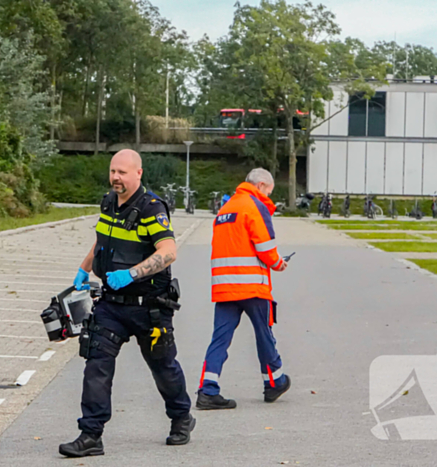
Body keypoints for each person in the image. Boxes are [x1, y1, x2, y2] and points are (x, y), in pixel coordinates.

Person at [59, 149, 195, 458]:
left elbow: (169, 251)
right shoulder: (109, 202)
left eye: (122, 172)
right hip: (111, 306)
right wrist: (84, 267)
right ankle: (91, 434)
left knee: (163, 366)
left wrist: (132, 274)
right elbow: (103, 238)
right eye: (112, 171)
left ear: (138, 173)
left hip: (149, 307)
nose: (116, 177)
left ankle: (181, 417)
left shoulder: (152, 208)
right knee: (96, 365)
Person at [196, 168, 290, 410]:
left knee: (219, 339)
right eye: (268, 192)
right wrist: (279, 264)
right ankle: (274, 381)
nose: (268, 197)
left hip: (224, 287)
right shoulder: (254, 206)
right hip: (252, 286)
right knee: (264, 334)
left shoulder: (226, 208)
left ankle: (207, 390)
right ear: (260, 186)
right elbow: (266, 246)